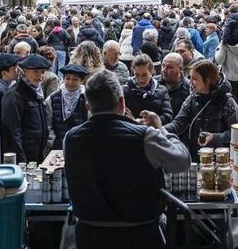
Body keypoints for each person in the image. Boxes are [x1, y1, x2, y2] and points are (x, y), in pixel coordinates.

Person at [63, 70, 190, 249]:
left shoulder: (71, 138)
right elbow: (182, 160)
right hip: (140, 236)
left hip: (90, 236)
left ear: (88, 106)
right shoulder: (145, 136)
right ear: (122, 102)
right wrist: (161, 129)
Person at [164, 59, 238, 160]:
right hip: (196, 156)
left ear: (208, 80)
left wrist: (214, 137)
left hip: (221, 159)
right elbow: (178, 123)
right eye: (190, 78)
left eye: (195, 79)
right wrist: (159, 130)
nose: (191, 82)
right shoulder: (192, 99)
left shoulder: (227, 101)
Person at [0, 54, 51, 164]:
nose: (40, 76)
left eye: (42, 72)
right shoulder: (14, 95)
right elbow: (12, 130)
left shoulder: (37, 90)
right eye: (36, 72)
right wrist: (20, 159)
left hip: (37, 152)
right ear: (25, 71)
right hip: (24, 154)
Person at [45, 63, 89, 151]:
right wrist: (53, 141)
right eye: (67, 78)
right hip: (58, 146)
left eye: (75, 79)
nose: (70, 82)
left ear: (81, 81)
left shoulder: (87, 99)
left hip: (81, 145)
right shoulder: (52, 98)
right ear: (63, 79)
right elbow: (47, 124)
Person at [123, 55, 173, 125]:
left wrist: (137, 121)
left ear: (152, 71)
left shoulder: (162, 90)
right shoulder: (125, 90)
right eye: (137, 75)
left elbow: (167, 116)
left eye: (144, 75)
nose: (141, 79)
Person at [156, 52, 190, 118]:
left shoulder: (189, 88)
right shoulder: (153, 83)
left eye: (169, 67)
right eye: (163, 66)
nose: (164, 70)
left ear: (180, 69)